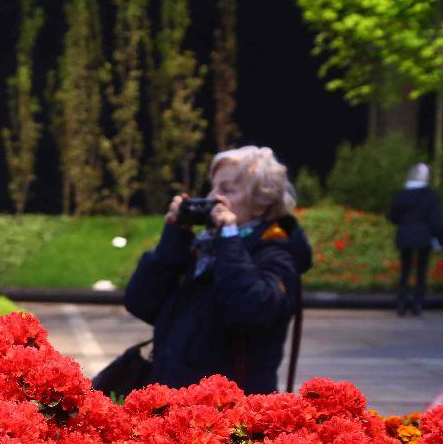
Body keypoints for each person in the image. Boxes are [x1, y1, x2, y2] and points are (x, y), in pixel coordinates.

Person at [123, 146, 312, 394]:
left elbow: (251, 311)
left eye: (227, 190)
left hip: (231, 413)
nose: (213, 197)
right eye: (213, 187)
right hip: (177, 404)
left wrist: (229, 237)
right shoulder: (204, 247)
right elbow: (141, 302)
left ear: (261, 204)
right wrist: (174, 235)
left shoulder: (276, 253)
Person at [388, 163, 443, 316]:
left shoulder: (401, 195)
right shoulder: (430, 196)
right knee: (421, 271)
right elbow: (436, 221)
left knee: (405, 271)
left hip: (405, 235)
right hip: (424, 237)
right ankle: (417, 305)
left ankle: (401, 304)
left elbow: (393, 216)